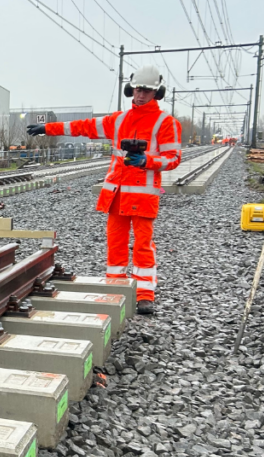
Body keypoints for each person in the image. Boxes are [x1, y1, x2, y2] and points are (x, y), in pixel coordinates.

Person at [28, 65, 182, 315]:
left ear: (157, 93)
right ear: (131, 89)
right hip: (117, 195)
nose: (140, 94)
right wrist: (48, 128)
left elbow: (173, 158)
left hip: (143, 196)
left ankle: (145, 295)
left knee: (143, 246)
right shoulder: (119, 120)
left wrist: (147, 161)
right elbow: (83, 126)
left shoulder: (166, 123)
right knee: (115, 244)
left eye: (146, 90)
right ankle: (115, 289)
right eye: (137, 89)